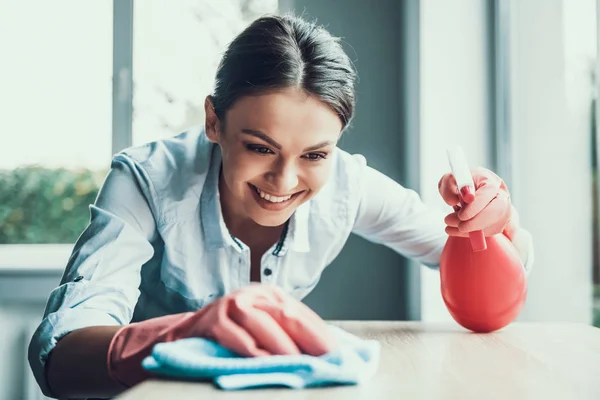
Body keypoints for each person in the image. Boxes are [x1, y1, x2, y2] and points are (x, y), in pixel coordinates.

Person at [28, 14, 533, 399]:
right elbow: (58, 358)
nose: (284, 181)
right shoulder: (146, 180)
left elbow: (470, 271)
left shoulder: (347, 184)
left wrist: (491, 225)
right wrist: (183, 332)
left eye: (315, 154)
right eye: (260, 148)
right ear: (213, 122)